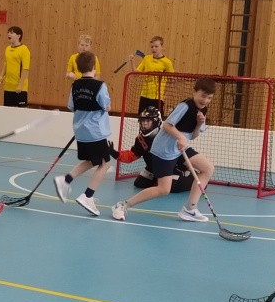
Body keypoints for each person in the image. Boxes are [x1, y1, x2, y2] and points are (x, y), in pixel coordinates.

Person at [112, 77, 216, 223]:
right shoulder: (185, 106)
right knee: (163, 190)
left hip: (179, 148)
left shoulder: (203, 110)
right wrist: (180, 137)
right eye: (203, 96)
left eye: (209, 98)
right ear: (194, 92)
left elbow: (192, 136)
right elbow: (167, 125)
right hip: (164, 150)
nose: (205, 100)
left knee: (208, 169)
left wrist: (199, 124)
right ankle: (123, 205)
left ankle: (190, 209)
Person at [52, 51, 111, 216]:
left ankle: (66, 180)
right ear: (94, 66)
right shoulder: (100, 85)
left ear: (78, 68)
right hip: (96, 131)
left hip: (80, 131)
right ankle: (88, 196)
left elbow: (71, 106)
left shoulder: (75, 85)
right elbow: (106, 106)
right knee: (105, 163)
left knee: (92, 161)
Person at [109, 106, 194, 192]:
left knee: (172, 186)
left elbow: (180, 155)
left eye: (148, 121)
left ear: (156, 122)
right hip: (153, 168)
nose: (144, 124)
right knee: (140, 183)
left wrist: (186, 166)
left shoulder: (166, 136)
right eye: (142, 121)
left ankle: (191, 179)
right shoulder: (140, 139)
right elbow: (132, 155)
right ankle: (157, 178)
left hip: (171, 169)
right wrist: (115, 154)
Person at [133, 35, 174, 113]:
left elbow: (171, 81)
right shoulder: (147, 58)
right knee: (142, 118)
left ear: (162, 47)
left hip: (157, 97)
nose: (154, 48)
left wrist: (166, 95)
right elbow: (136, 73)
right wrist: (132, 61)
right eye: (152, 47)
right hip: (144, 95)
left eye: (156, 46)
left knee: (156, 118)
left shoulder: (167, 62)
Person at [0, 26, 30, 107]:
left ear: (19, 36)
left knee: (20, 112)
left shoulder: (24, 49)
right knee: (8, 111)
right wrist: (1, 76)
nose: (9, 34)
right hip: (8, 87)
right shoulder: (7, 49)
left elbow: (25, 69)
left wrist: (20, 85)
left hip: (20, 88)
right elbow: (6, 65)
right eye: (8, 32)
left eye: (11, 33)